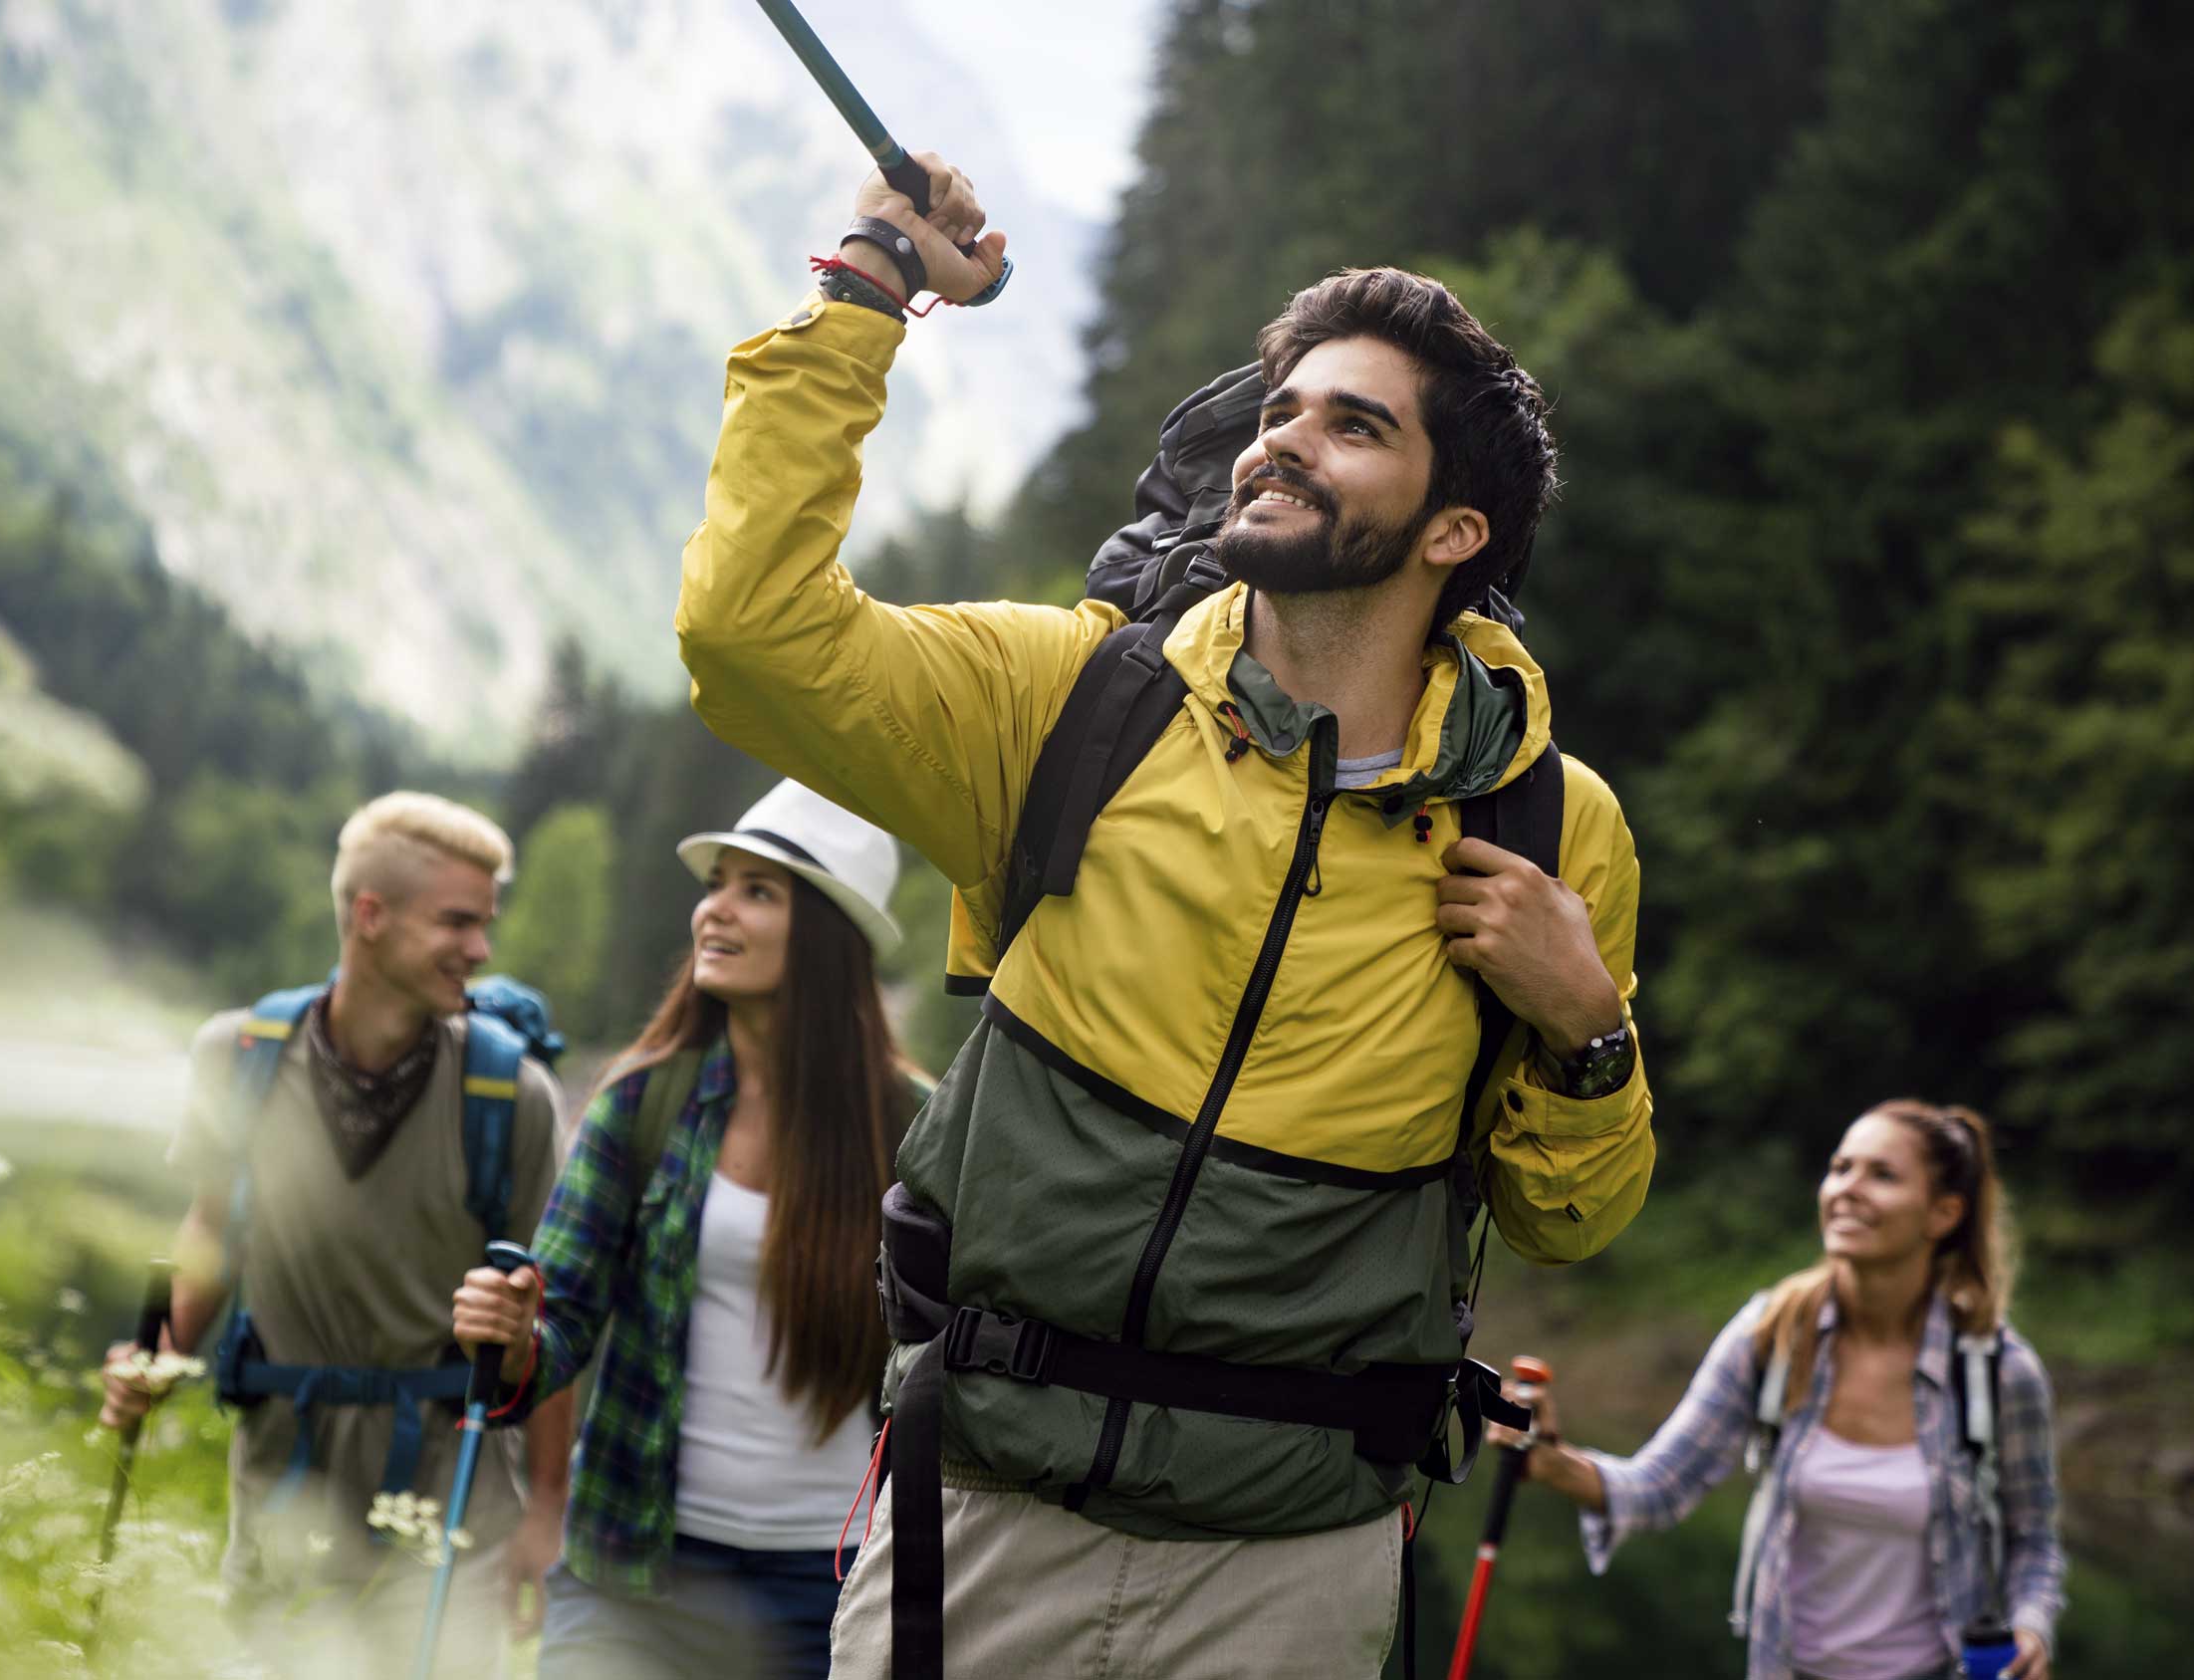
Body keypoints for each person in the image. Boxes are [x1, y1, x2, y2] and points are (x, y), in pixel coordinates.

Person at [667, 154, 1656, 1677]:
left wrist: (1589, 1026)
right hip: (985, 1509)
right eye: (1281, 408)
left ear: (1456, 530)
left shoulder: (1550, 826)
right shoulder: (1066, 700)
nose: (1285, 440)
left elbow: (1567, 1216)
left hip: (1299, 1559)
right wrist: (872, 281)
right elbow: (749, 634)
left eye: (1353, 423)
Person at [450, 779, 929, 1680]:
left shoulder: (917, 1130)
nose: (714, 908)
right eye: (718, 882)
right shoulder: (641, 1099)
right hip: (632, 1569)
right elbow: (561, 1315)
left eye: (758, 890)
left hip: (829, 1581)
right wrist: (514, 1334)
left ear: (828, 934)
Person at [97, 791, 576, 1678]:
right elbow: (213, 1227)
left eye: (485, 924)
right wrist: (154, 1357)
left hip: (452, 1504)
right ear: (369, 915)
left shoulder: (512, 1097)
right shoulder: (238, 1058)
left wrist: (546, 1508)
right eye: (459, 922)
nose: (481, 950)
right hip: (283, 1484)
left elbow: (540, 1315)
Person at [1503, 1101, 2066, 1680]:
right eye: (1840, 1167)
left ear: (1943, 1213)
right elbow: (1659, 1487)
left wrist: (2031, 1626)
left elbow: (2034, 1540)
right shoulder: (1770, 1335)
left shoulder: (1997, 1371)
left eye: (1882, 1175)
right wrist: (1549, 1460)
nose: (1847, 1189)